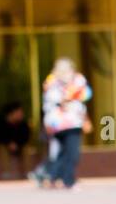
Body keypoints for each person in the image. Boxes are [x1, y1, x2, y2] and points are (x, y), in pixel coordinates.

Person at [31, 58, 92, 188]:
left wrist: (85, 118)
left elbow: (86, 95)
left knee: (65, 153)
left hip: (74, 123)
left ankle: (50, 175)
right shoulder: (52, 83)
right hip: (58, 125)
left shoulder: (78, 81)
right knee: (68, 153)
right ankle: (64, 179)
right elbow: (53, 101)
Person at [0, 101, 32, 178]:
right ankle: (6, 173)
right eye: (19, 112)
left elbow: (26, 137)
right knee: (2, 149)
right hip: (5, 146)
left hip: (19, 146)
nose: (21, 114)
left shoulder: (23, 124)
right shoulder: (0, 122)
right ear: (12, 113)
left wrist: (17, 144)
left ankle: (28, 172)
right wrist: (8, 143)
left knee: (26, 149)